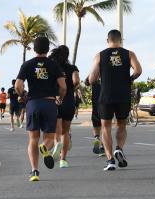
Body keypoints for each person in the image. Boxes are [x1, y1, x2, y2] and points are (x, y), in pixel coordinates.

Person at [88, 29, 142, 172]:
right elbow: (138, 70)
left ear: (108, 40)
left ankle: (110, 159)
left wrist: (101, 76)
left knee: (105, 128)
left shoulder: (99, 55)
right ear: (121, 40)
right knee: (122, 124)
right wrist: (129, 79)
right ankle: (119, 148)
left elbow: (92, 79)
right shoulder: (129, 54)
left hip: (106, 95)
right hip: (123, 95)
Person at [15, 36, 67, 182]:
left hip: (33, 104)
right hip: (49, 103)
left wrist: (23, 94)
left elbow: (18, 86)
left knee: (33, 139)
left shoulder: (27, 64)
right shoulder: (54, 65)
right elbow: (63, 87)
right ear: (48, 48)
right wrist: (60, 98)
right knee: (49, 138)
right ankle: (44, 147)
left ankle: (34, 172)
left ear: (34, 49)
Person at [50, 44, 80, 168]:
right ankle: (63, 160)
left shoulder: (52, 67)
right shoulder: (72, 67)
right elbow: (76, 81)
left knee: (57, 132)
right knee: (66, 132)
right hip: (69, 102)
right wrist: (73, 87)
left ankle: (57, 145)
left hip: (55, 100)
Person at [84, 77, 103, 154]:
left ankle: (97, 137)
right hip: (106, 103)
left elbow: (86, 82)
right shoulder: (108, 70)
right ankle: (103, 147)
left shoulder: (94, 73)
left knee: (96, 124)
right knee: (106, 127)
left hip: (96, 103)